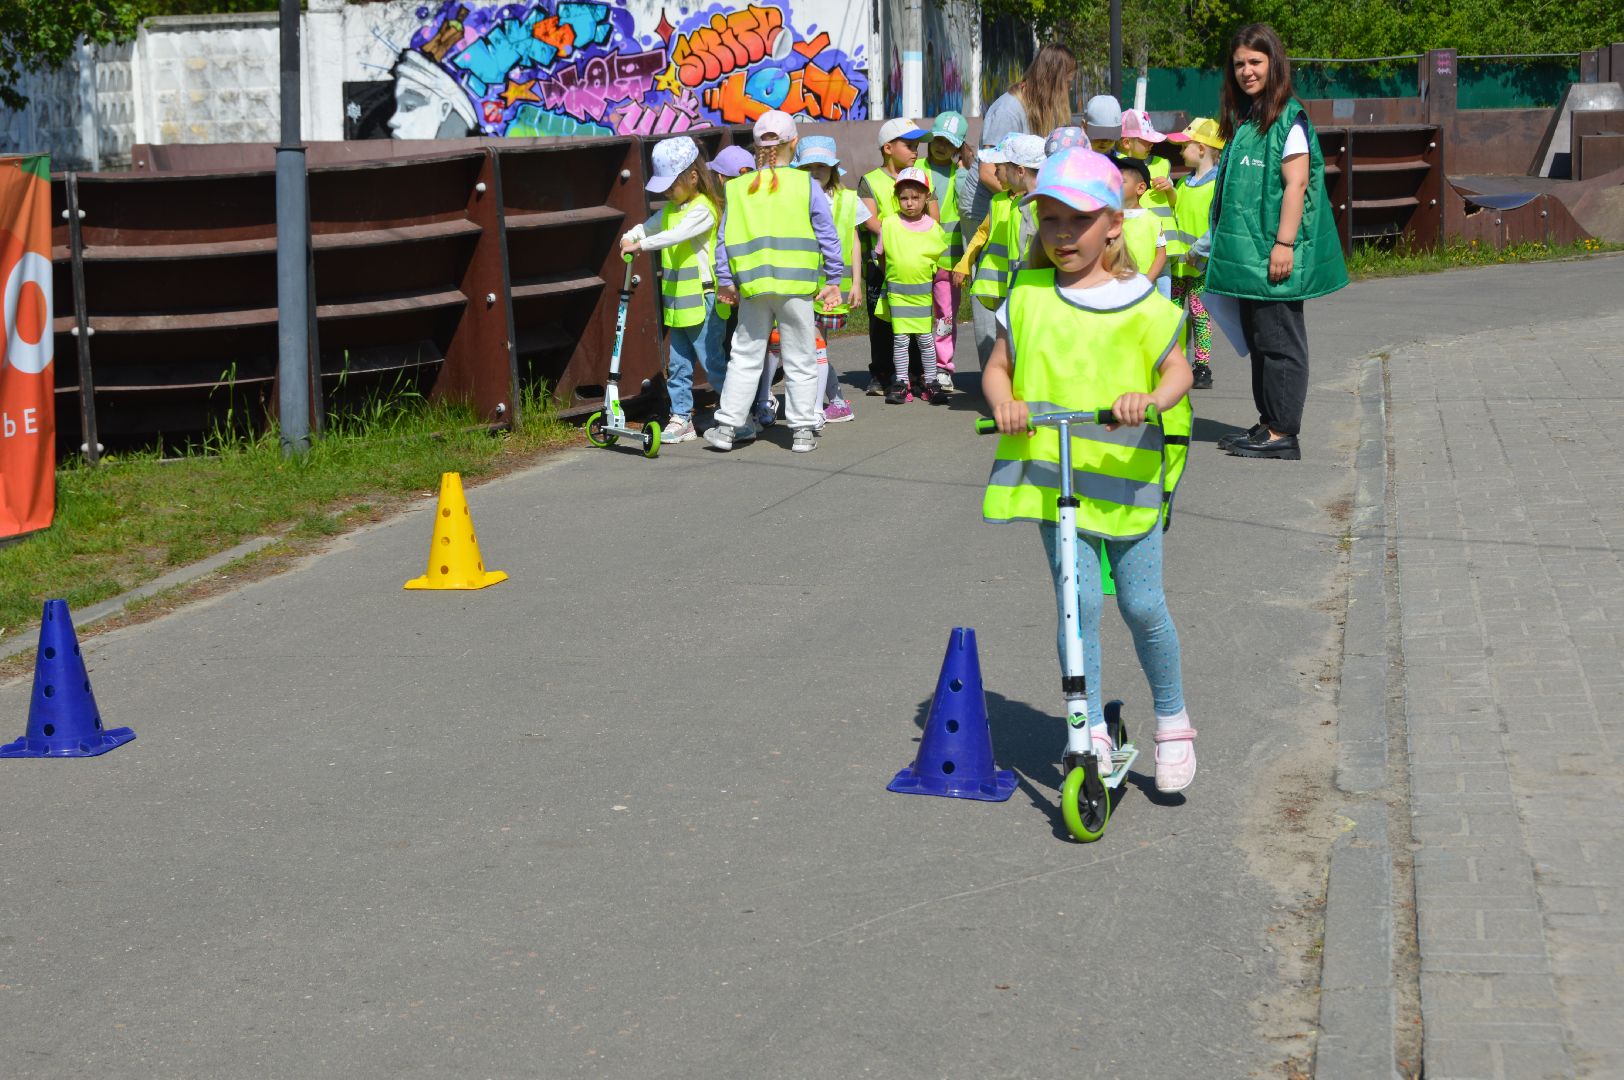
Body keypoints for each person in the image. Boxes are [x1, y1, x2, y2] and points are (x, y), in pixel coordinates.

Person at [981, 146, 1198, 793]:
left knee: (1140, 602)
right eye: (1049, 220)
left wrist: (1152, 399)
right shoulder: (1027, 295)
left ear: (1112, 223)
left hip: (1126, 478)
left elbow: (1178, 367)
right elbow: (998, 365)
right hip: (1057, 478)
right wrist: (1006, 402)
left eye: (1075, 221)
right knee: (1076, 606)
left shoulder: (1139, 298)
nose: (1061, 235)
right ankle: (1089, 731)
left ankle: (1172, 718)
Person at [1204, 22, 1348, 461]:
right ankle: (1268, 422)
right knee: (1261, 339)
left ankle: (1283, 431)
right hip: (1249, 255)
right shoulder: (1248, 118)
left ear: (1274, 63)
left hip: (1273, 253)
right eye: (1239, 64)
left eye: (1255, 62)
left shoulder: (1288, 117)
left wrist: (1284, 245)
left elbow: (1296, 183)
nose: (1247, 71)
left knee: (1280, 342)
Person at [708, 111, 845, 454]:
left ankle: (727, 427)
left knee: (744, 356)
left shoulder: (738, 189)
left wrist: (726, 281)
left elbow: (722, 241)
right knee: (800, 356)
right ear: (794, 144)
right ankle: (801, 430)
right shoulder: (806, 185)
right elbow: (827, 235)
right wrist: (833, 279)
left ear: (756, 147)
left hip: (753, 288)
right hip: (796, 287)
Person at [957, 43, 1078, 368]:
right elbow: (987, 170)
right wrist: (1026, 201)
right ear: (1052, 78)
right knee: (990, 285)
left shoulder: (1034, 105)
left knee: (1019, 279)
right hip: (987, 207)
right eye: (1066, 81)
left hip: (1015, 203)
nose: (1068, 88)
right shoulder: (1008, 109)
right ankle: (994, 371)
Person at [619, 136, 726, 445]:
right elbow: (649, 227)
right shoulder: (670, 210)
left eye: (672, 183)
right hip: (678, 303)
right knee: (677, 365)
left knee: (712, 363)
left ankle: (736, 413)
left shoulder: (703, 209)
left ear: (693, 177)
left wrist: (639, 245)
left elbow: (674, 236)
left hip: (704, 300)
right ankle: (682, 418)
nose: (667, 190)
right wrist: (629, 236)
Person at [793, 135, 863, 423]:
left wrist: (856, 282)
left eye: (822, 165)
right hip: (800, 283)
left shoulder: (847, 199)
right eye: (809, 165)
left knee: (815, 344)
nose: (816, 170)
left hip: (832, 289)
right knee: (805, 345)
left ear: (833, 168)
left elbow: (855, 242)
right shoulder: (794, 198)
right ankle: (835, 400)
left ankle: (817, 407)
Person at [859, 118, 932, 395]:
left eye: (917, 146)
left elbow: (932, 216)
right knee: (881, 321)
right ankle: (881, 373)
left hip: (914, 265)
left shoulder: (921, 177)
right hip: (881, 264)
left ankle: (915, 372)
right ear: (888, 148)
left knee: (915, 318)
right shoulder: (870, 181)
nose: (915, 151)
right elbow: (869, 220)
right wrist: (898, 238)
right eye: (909, 145)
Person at [874, 167, 950, 404]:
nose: (909, 203)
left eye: (915, 197)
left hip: (923, 296)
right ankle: (902, 382)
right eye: (904, 197)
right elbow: (881, 257)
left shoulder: (933, 228)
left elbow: (938, 265)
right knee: (901, 340)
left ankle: (930, 381)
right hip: (898, 295)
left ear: (926, 197)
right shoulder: (889, 224)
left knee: (925, 340)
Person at [1165, 117, 1224, 389]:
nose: (1180, 151)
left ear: (1201, 149)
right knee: (1173, 312)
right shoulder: (1183, 184)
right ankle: (1172, 360)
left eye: (1184, 146)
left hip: (1199, 264)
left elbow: (1215, 225)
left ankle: (1202, 367)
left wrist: (1197, 251)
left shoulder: (1215, 186)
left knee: (1200, 314)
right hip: (1179, 263)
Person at [958, 133, 1046, 317]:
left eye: (999, 167)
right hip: (1012, 285)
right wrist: (965, 262)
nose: (995, 172)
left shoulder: (1042, 205)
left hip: (1033, 289)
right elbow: (984, 233)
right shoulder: (1007, 202)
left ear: (1020, 171)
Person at [925, 111, 971, 391]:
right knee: (915, 314)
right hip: (915, 259)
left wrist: (967, 171)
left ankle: (943, 367)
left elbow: (966, 210)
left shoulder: (959, 174)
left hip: (948, 260)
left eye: (950, 143)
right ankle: (919, 366)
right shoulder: (916, 166)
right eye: (939, 139)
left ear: (958, 147)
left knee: (945, 315)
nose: (943, 146)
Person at [1116, 157, 1167, 285]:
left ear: (1140, 188)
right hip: (1114, 283)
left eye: (1120, 181)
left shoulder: (1153, 219)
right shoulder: (1109, 219)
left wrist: (1146, 282)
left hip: (1143, 283)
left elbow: (1161, 255)